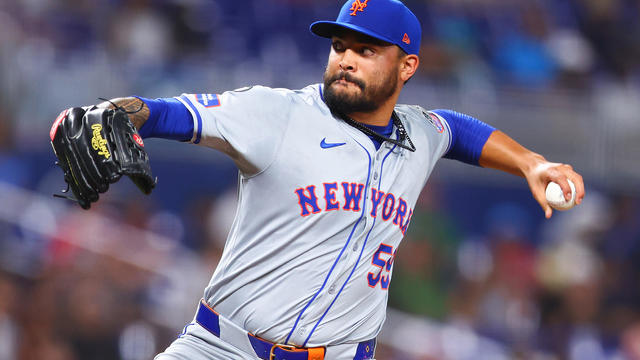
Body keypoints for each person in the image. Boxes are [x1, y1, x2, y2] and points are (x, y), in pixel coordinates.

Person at [71, 0, 585, 359]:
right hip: (223, 348)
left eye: (366, 50)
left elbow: (459, 132)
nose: (345, 59)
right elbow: (164, 112)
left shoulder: (418, 134)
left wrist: (529, 163)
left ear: (406, 66)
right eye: (340, 45)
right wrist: (112, 112)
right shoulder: (276, 113)